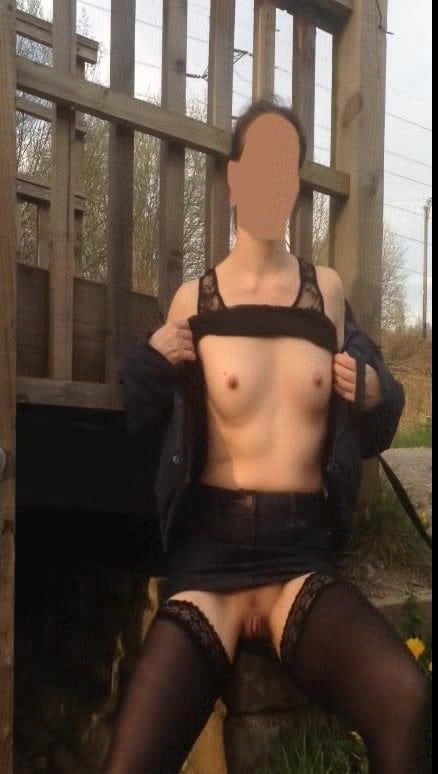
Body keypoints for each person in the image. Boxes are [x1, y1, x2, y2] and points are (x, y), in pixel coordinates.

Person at [105, 100, 428, 773]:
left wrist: (374, 392)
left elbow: (378, 420)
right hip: (209, 565)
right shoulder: (195, 300)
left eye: (288, 169)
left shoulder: (325, 293)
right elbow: (140, 422)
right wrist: (148, 363)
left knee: (407, 701)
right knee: (130, 762)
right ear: (234, 176)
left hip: (300, 562)